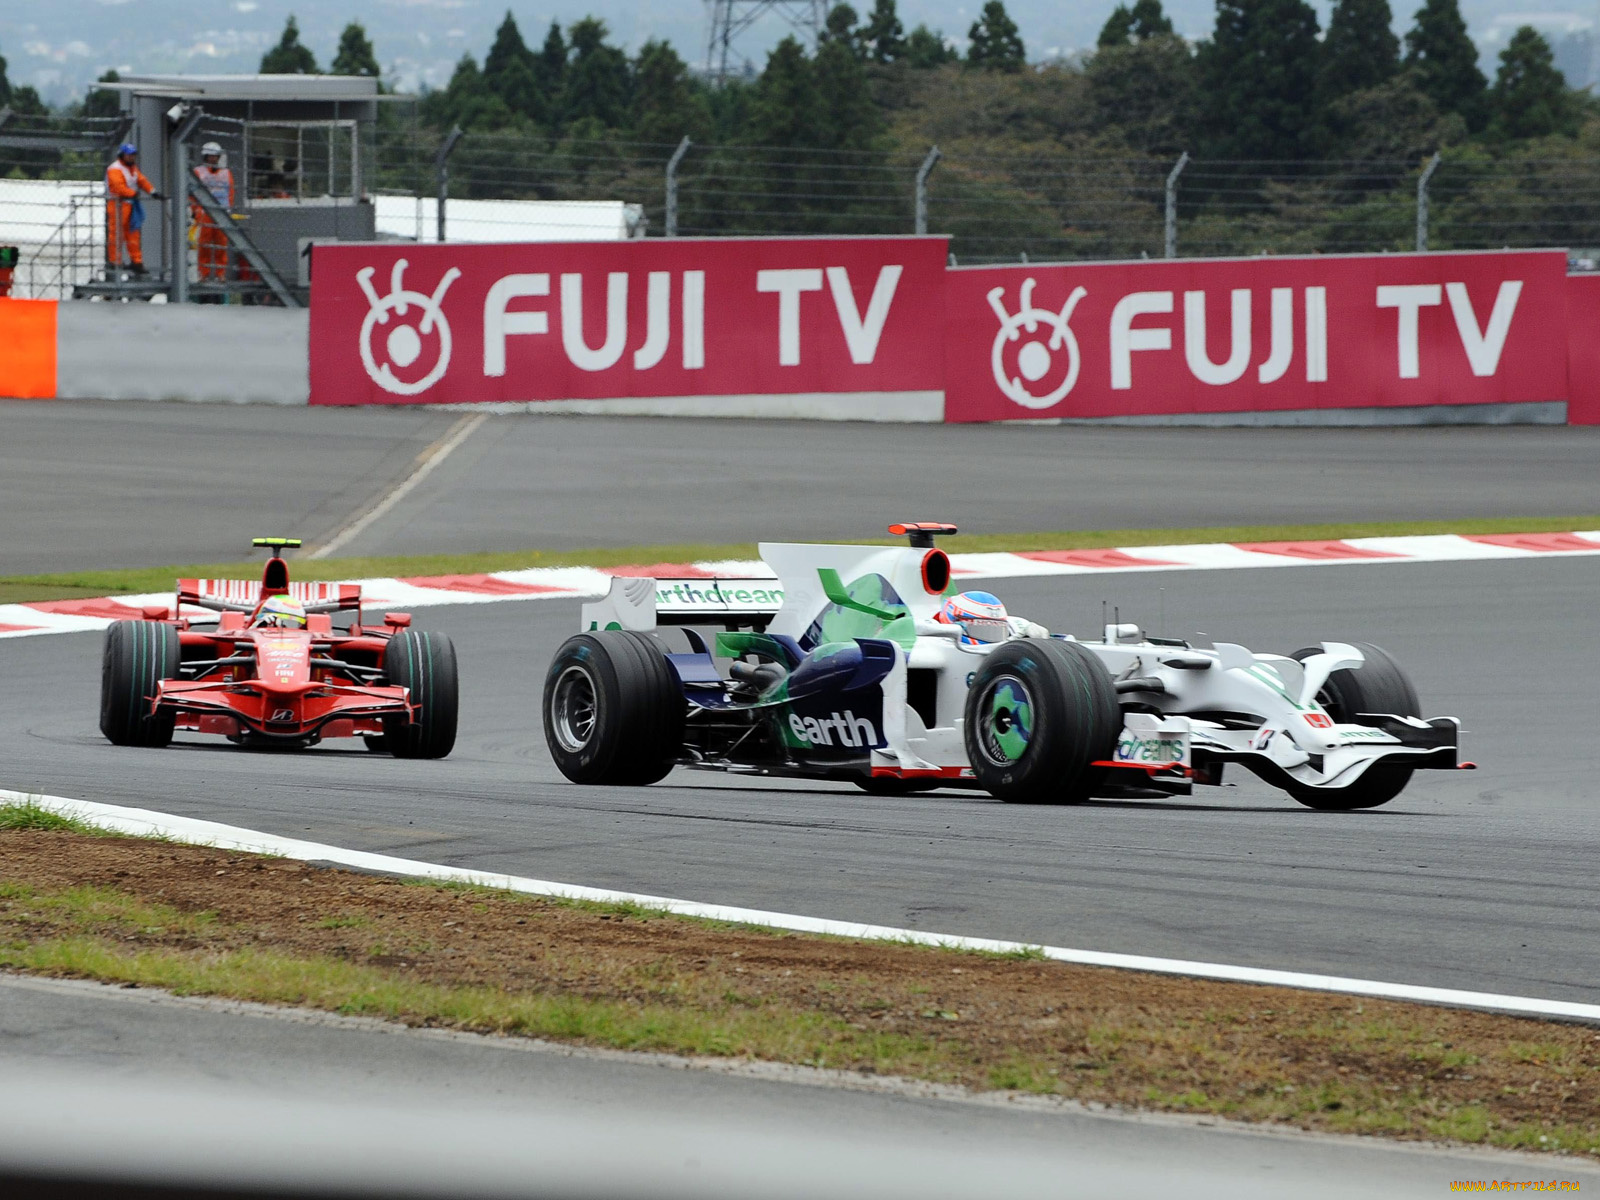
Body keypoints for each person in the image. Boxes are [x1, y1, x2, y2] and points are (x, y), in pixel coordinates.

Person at [106, 143, 161, 275]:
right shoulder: (115, 168)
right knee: (117, 234)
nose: (131, 157)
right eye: (129, 155)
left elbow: (142, 180)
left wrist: (153, 192)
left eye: (133, 155)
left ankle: (136, 262)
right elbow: (118, 186)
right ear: (122, 155)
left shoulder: (132, 169)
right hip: (118, 204)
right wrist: (132, 194)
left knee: (133, 235)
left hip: (130, 204)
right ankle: (115, 261)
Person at [191, 142, 234, 287]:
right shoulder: (198, 172)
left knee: (221, 245)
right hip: (205, 212)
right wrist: (196, 210)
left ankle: (220, 274)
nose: (213, 159)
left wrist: (229, 209)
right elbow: (193, 193)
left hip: (222, 212)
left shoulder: (226, 173)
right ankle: (203, 273)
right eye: (210, 156)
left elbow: (230, 192)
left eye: (215, 156)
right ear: (205, 156)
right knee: (204, 245)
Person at [934, 591, 1049, 645]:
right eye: (982, 630)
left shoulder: (1019, 629)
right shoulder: (932, 642)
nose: (990, 637)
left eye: (996, 631)